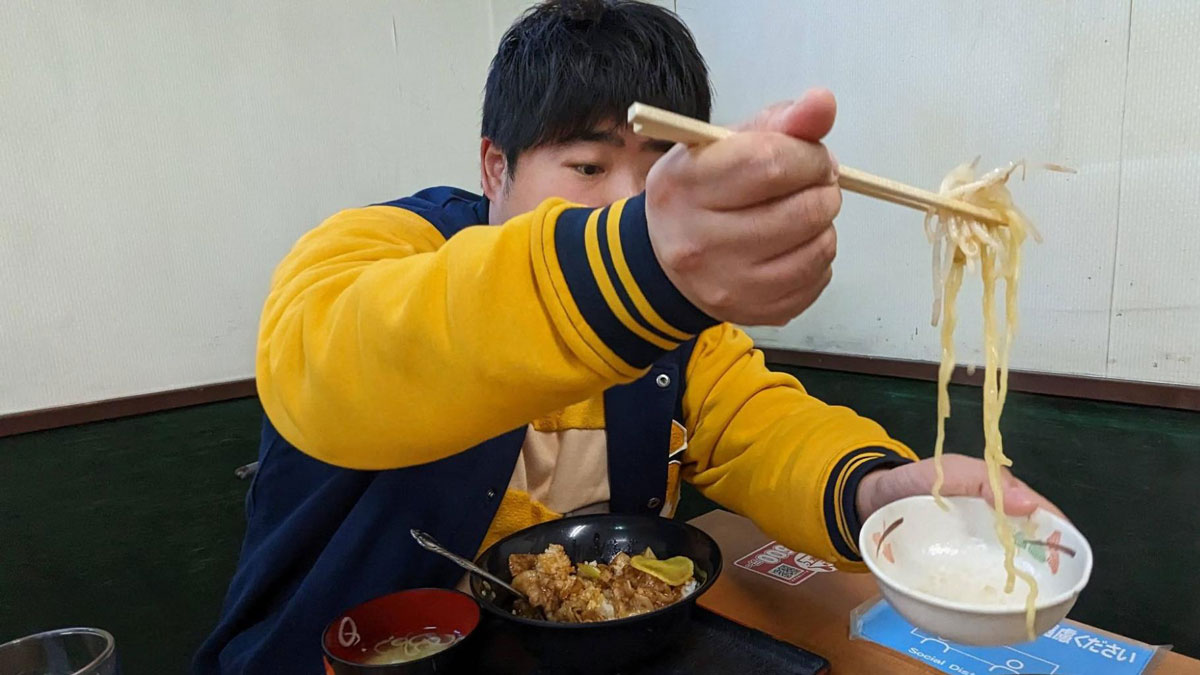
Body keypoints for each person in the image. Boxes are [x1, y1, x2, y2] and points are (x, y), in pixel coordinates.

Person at [195, 1, 1058, 672]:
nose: (629, 203)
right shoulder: (386, 251)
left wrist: (877, 493)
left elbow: (759, 421)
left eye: (655, 177)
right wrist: (640, 258)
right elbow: (327, 362)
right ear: (495, 167)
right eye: (587, 167)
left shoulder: (673, 323)